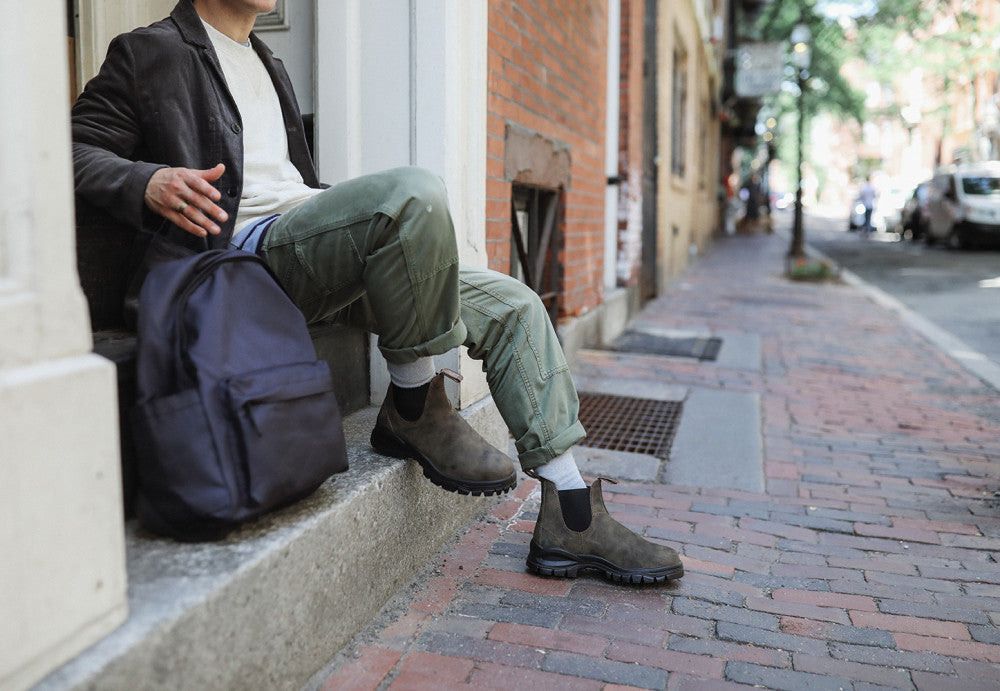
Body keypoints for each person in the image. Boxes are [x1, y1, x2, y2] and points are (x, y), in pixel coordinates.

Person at [71, 0, 682, 584]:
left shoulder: (267, 62)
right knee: (410, 192)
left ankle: (570, 510)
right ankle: (415, 402)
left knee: (514, 306)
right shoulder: (149, 52)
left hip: (308, 245)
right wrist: (145, 180)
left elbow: (294, 186)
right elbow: (70, 149)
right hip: (243, 267)